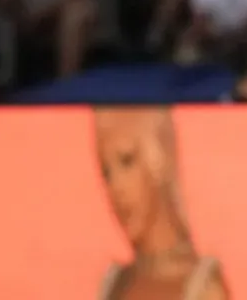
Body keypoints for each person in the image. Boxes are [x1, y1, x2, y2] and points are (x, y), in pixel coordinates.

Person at [94, 107, 228, 300]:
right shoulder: (113, 282)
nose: (116, 187)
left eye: (127, 160)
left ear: (159, 154)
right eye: (107, 172)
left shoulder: (203, 287)